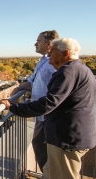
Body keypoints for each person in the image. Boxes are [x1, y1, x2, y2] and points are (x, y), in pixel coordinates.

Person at [1, 38, 96, 179]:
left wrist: (14, 107)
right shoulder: (80, 69)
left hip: (67, 138)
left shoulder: (68, 72)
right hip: (73, 135)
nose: (48, 55)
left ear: (65, 54)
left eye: (52, 52)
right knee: (51, 172)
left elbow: (48, 103)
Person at [11, 30, 59, 171]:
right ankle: (47, 174)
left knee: (47, 150)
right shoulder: (43, 61)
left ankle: (49, 175)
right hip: (41, 116)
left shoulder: (54, 63)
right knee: (39, 144)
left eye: (38, 41)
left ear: (49, 43)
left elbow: (61, 88)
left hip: (50, 115)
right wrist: (16, 90)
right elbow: (30, 82)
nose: (35, 44)